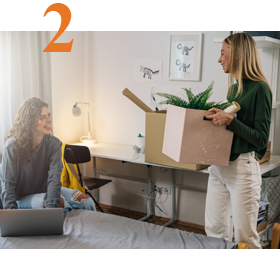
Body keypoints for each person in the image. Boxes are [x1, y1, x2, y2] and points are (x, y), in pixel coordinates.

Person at [204, 32, 272, 249]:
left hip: (242, 170)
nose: (219, 59)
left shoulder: (260, 88)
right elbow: (231, 130)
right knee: (214, 232)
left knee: (245, 238)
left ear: (239, 54)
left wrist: (231, 121)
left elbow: (261, 139)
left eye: (222, 52)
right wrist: (219, 117)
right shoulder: (234, 89)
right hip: (218, 168)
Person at [0, 97, 96, 212]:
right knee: (60, 204)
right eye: (42, 117)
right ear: (29, 121)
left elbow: (55, 179)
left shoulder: (54, 144)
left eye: (49, 115)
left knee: (86, 201)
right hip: (20, 198)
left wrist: (52, 205)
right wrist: (11, 216)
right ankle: (67, 226)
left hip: (44, 190)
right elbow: (7, 185)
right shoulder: (12, 146)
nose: (49, 120)